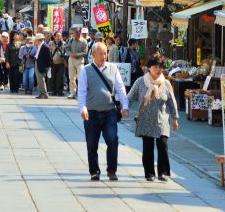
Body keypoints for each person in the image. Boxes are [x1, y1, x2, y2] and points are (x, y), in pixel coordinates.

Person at [77, 41, 130, 181]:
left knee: (112, 140)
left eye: (105, 53)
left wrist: (125, 106)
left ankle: (112, 170)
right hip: (92, 112)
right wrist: (82, 108)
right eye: (101, 53)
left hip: (109, 112)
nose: (104, 56)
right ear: (93, 54)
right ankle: (94, 171)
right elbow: (81, 91)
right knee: (91, 143)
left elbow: (120, 89)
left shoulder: (113, 68)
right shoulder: (86, 70)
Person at [126, 54, 180, 182]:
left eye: (160, 67)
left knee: (163, 144)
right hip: (146, 118)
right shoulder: (140, 82)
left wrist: (175, 118)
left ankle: (163, 172)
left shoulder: (166, 83)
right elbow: (130, 97)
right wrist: (125, 108)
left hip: (162, 118)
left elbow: (172, 102)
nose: (158, 69)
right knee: (148, 146)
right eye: (155, 67)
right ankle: (149, 173)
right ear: (149, 68)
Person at [67, 27, 88, 99]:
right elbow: (67, 48)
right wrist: (70, 54)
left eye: (75, 33)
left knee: (80, 77)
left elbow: (85, 53)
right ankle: (72, 92)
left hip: (79, 60)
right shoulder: (71, 40)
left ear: (79, 33)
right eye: (73, 33)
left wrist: (76, 55)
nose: (73, 34)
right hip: (71, 59)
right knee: (71, 77)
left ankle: (81, 92)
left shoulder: (84, 41)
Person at [49, 32, 67, 96]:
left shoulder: (64, 43)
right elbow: (49, 52)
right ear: (54, 37)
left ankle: (60, 91)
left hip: (61, 63)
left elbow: (66, 52)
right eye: (57, 36)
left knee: (60, 78)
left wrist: (64, 56)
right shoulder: (51, 43)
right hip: (53, 63)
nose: (58, 37)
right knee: (53, 77)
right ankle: (54, 91)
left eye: (60, 36)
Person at [34, 33, 51, 99]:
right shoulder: (39, 46)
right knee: (39, 80)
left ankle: (45, 93)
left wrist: (47, 66)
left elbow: (48, 58)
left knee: (41, 80)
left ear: (39, 40)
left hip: (42, 65)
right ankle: (42, 93)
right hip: (38, 63)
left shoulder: (45, 47)